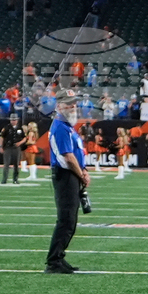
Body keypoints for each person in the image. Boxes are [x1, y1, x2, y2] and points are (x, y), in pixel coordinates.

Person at [46, 89, 89, 274]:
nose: (73, 107)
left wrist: (83, 170)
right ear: (58, 106)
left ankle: (59, 258)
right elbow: (68, 157)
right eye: (68, 103)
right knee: (66, 219)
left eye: (74, 103)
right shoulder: (61, 127)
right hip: (65, 176)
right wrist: (81, 174)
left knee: (70, 219)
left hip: (72, 174)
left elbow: (76, 155)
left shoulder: (68, 127)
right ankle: (53, 261)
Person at [0, 115, 26, 184]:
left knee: (16, 164)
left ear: (17, 120)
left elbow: (24, 138)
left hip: (16, 148)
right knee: (6, 164)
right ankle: (4, 179)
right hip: (8, 147)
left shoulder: (20, 128)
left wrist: (19, 143)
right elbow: (2, 137)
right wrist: (0, 146)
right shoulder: (6, 128)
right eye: (12, 120)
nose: (13, 121)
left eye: (14, 120)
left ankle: (15, 179)